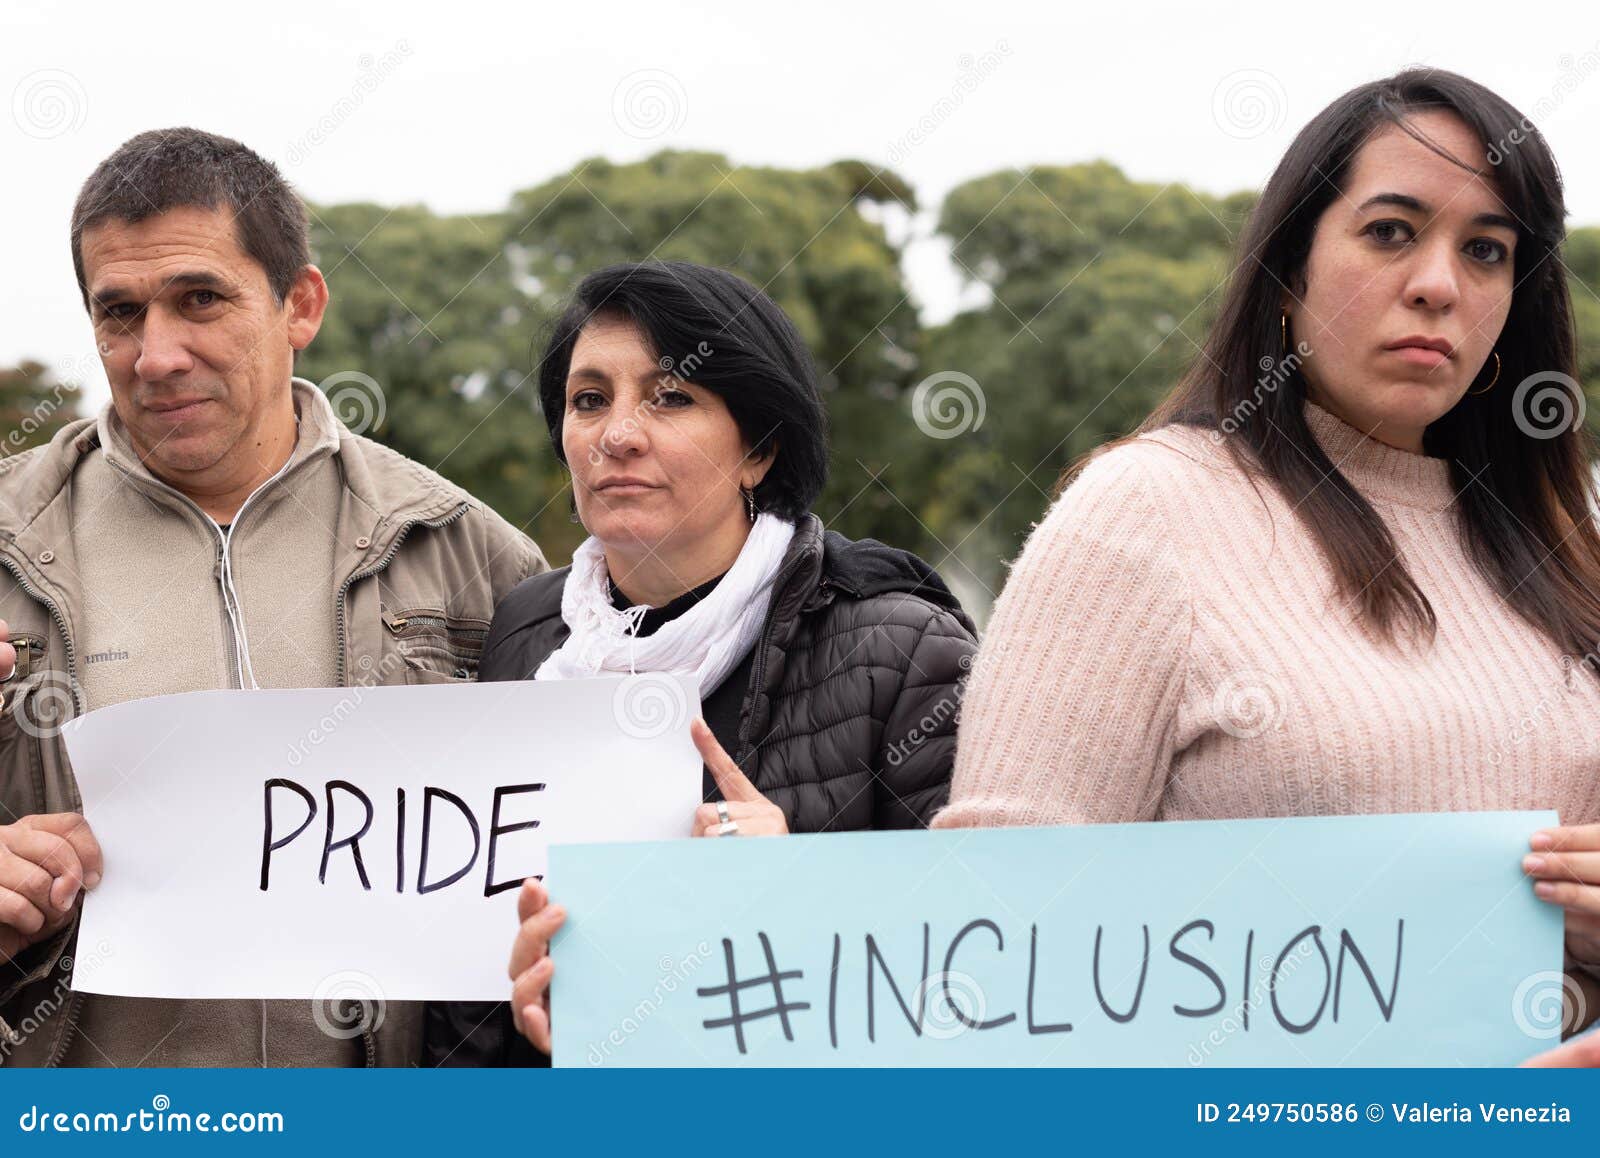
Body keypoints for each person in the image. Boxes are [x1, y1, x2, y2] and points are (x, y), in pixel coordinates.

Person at [933, 70, 1600, 1042]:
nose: (1437, 283)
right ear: (1288, 271)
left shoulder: (1562, 554)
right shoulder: (1146, 509)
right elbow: (996, 920)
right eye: (1389, 231)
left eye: (1487, 250)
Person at [0, 128, 546, 1067]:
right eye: (120, 312)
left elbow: (566, 873)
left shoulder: (472, 552)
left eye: (200, 299)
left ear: (300, 303)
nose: (156, 354)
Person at [423, 260, 978, 1063]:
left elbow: (987, 975)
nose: (617, 434)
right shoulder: (526, 634)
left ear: (760, 449)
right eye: (589, 400)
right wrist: (525, 1025)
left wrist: (803, 899)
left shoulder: (903, 650)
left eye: (671, 397)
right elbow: (472, 957)